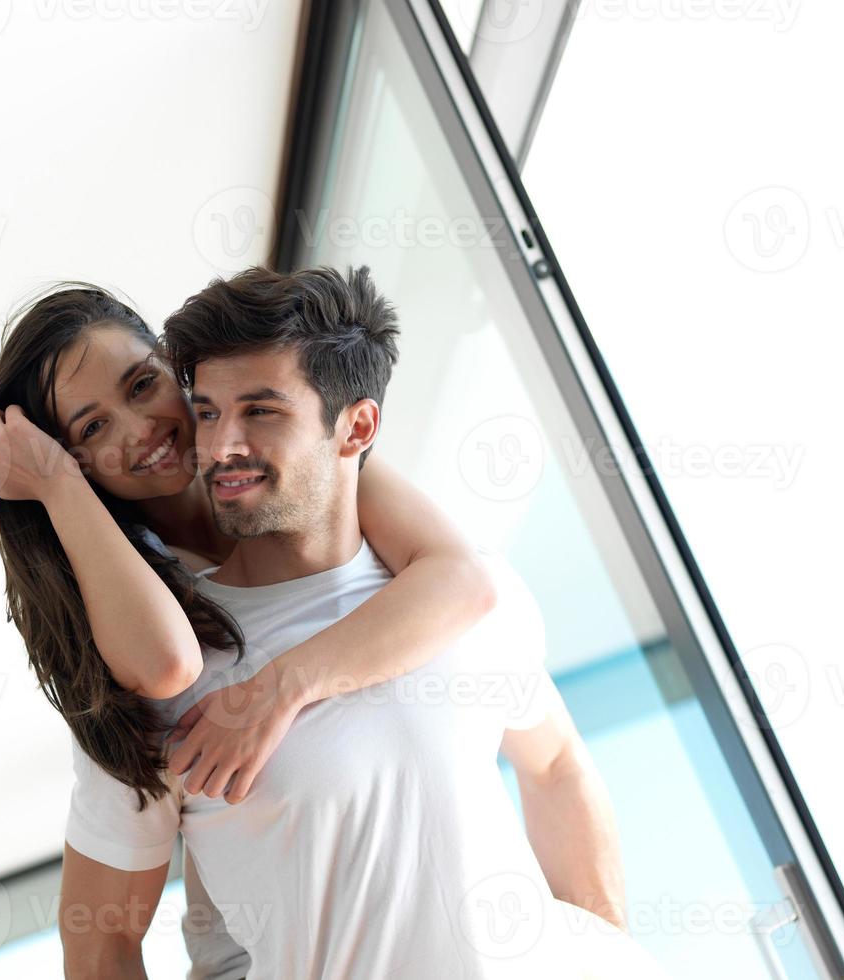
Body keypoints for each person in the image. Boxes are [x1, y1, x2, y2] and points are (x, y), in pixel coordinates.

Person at [52, 266, 640, 979]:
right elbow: (100, 943)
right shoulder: (163, 676)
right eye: (206, 412)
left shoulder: (468, 595)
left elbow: (554, 765)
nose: (221, 445)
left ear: (356, 425)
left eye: (261, 411)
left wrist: (613, 950)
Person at [0, 273, 505, 975]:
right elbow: (165, 668)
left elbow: (460, 579)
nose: (141, 430)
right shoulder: (142, 609)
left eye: (142, 385)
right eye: (91, 429)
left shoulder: (298, 468)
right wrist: (56, 485)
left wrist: (277, 690)